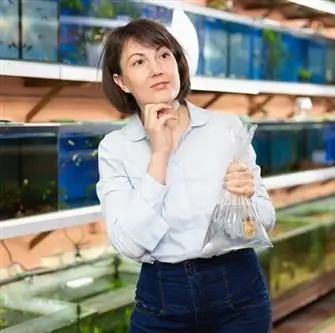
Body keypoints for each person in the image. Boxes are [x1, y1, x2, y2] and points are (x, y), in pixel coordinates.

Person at [95, 18, 276, 333]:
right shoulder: (115, 149)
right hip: (163, 296)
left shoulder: (227, 130)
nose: (157, 69)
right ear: (121, 81)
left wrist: (247, 201)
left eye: (164, 55)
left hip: (238, 288)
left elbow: (266, 219)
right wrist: (160, 154)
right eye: (139, 62)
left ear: (178, 63)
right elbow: (129, 245)